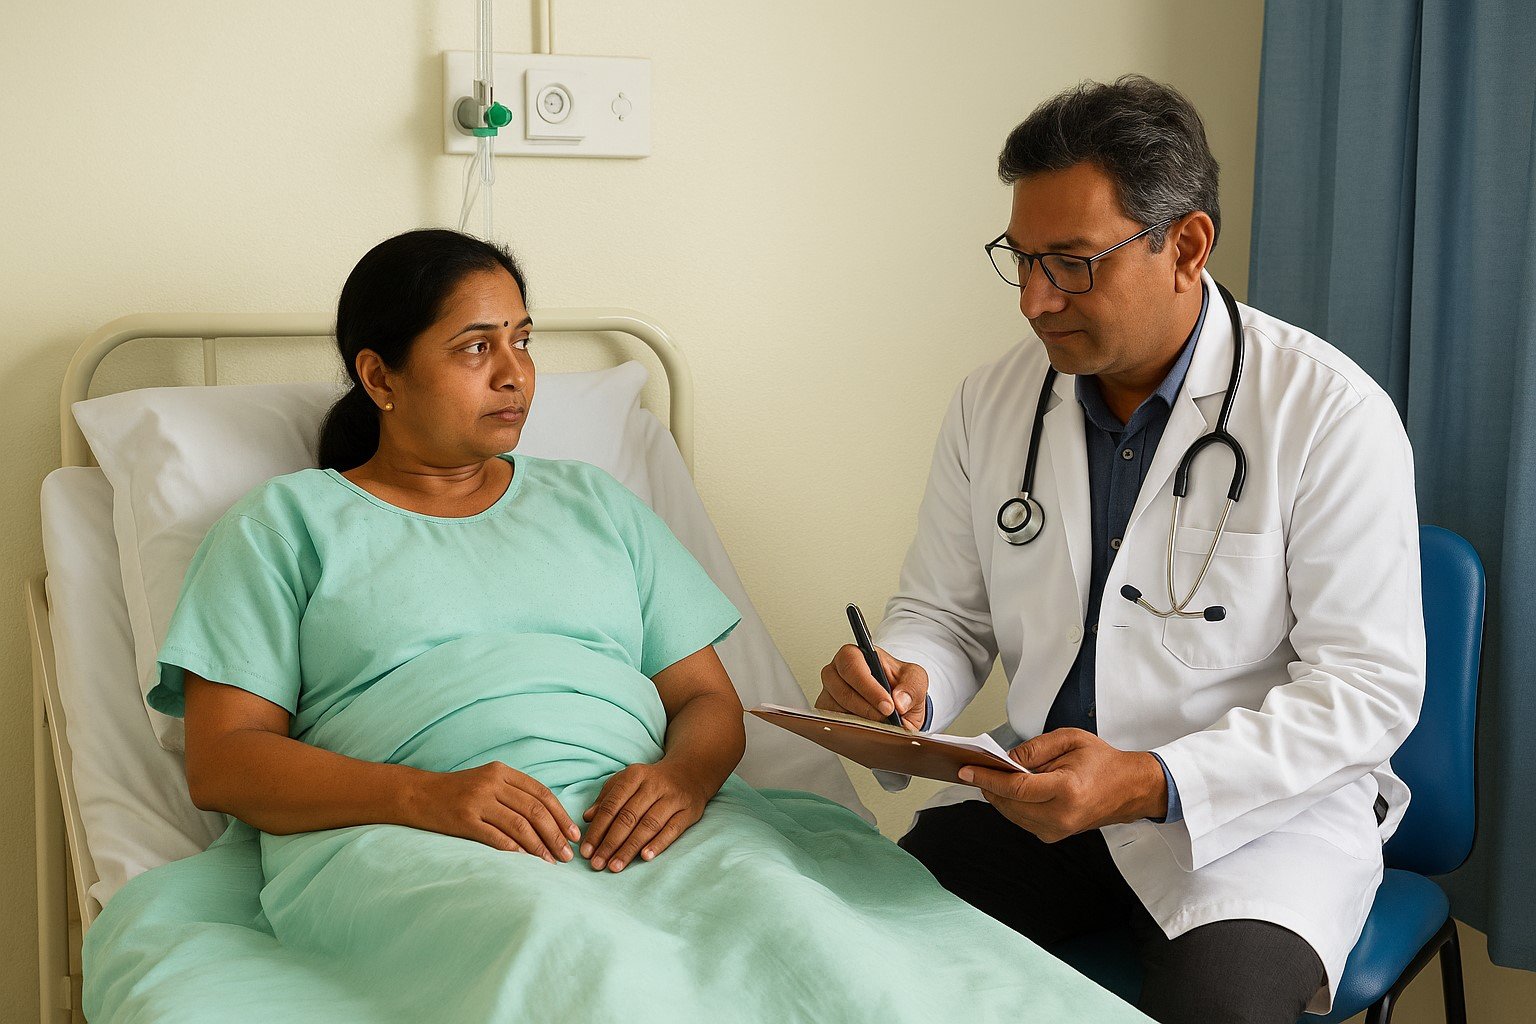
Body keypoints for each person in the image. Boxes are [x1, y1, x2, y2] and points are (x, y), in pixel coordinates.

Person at [83, 228, 1147, 1023]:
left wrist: (683, 780)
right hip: (406, 833)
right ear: (379, 376)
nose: (515, 372)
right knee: (562, 955)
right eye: (474, 346)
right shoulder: (288, 524)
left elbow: (704, 702)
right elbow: (224, 763)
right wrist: (432, 798)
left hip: (648, 821)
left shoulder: (594, 504)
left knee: (816, 944)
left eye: (524, 340)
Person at [816, 76, 1425, 1024]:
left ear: (1185, 246)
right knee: (864, 970)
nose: (1032, 300)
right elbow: (943, 612)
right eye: (1019, 261)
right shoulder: (994, 402)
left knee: (1215, 1011)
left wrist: (1153, 780)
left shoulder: (1328, 413)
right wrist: (905, 683)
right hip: (1039, 801)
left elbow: (1367, 690)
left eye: (1069, 263)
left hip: (1250, 825)